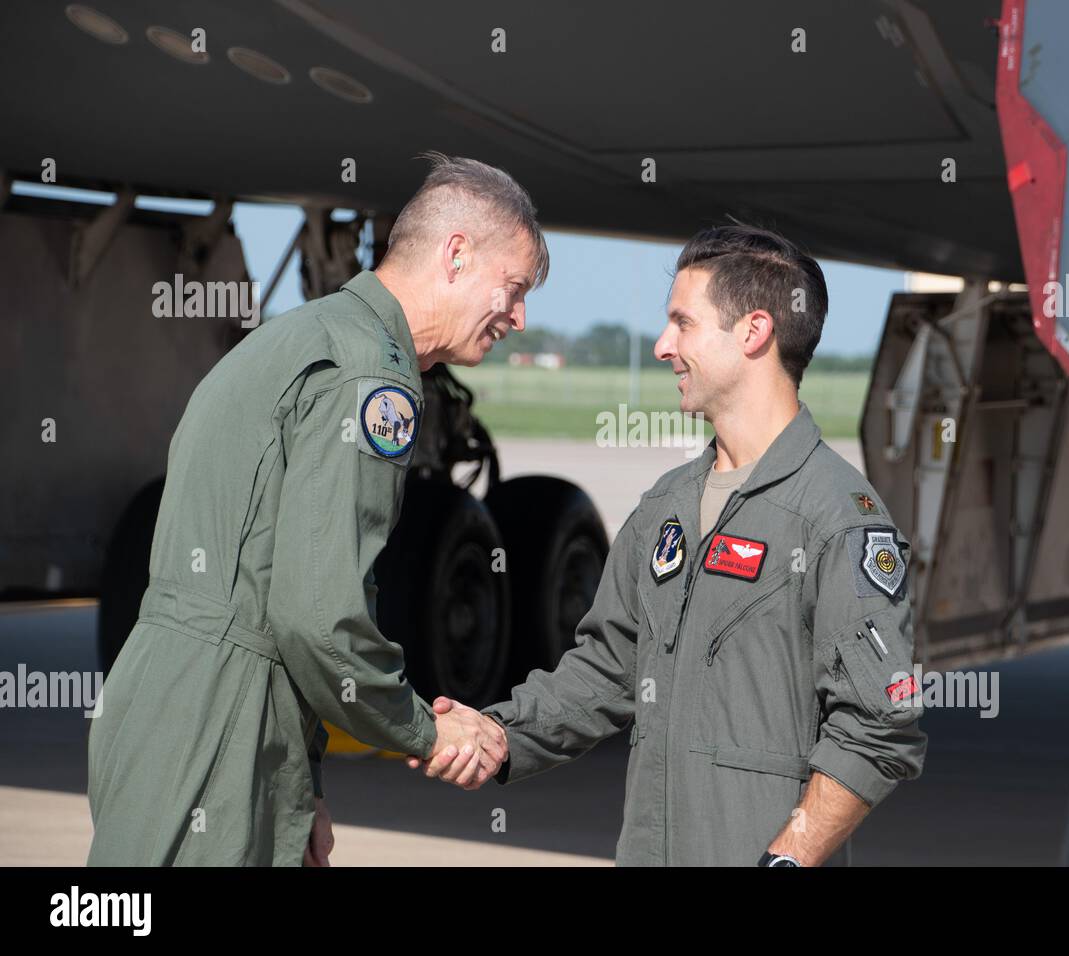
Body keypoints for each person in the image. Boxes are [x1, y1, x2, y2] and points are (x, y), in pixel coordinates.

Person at [418, 223, 928, 866]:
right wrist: (498, 731)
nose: (663, 346)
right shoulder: (667, 506)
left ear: (754, 331)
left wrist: (787, 859)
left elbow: (880, 727)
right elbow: (605, 670)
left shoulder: (839, 520)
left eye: (683, 323)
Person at [86, 153, 537, 865]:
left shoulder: (300, 336)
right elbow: (318, 615)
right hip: (222, 732)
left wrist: (304, 782)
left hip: (170, 707)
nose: (517, 316)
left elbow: (270, 587)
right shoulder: (370, 376)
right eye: (513, 289)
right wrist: (426, 731)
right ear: (456, 254)